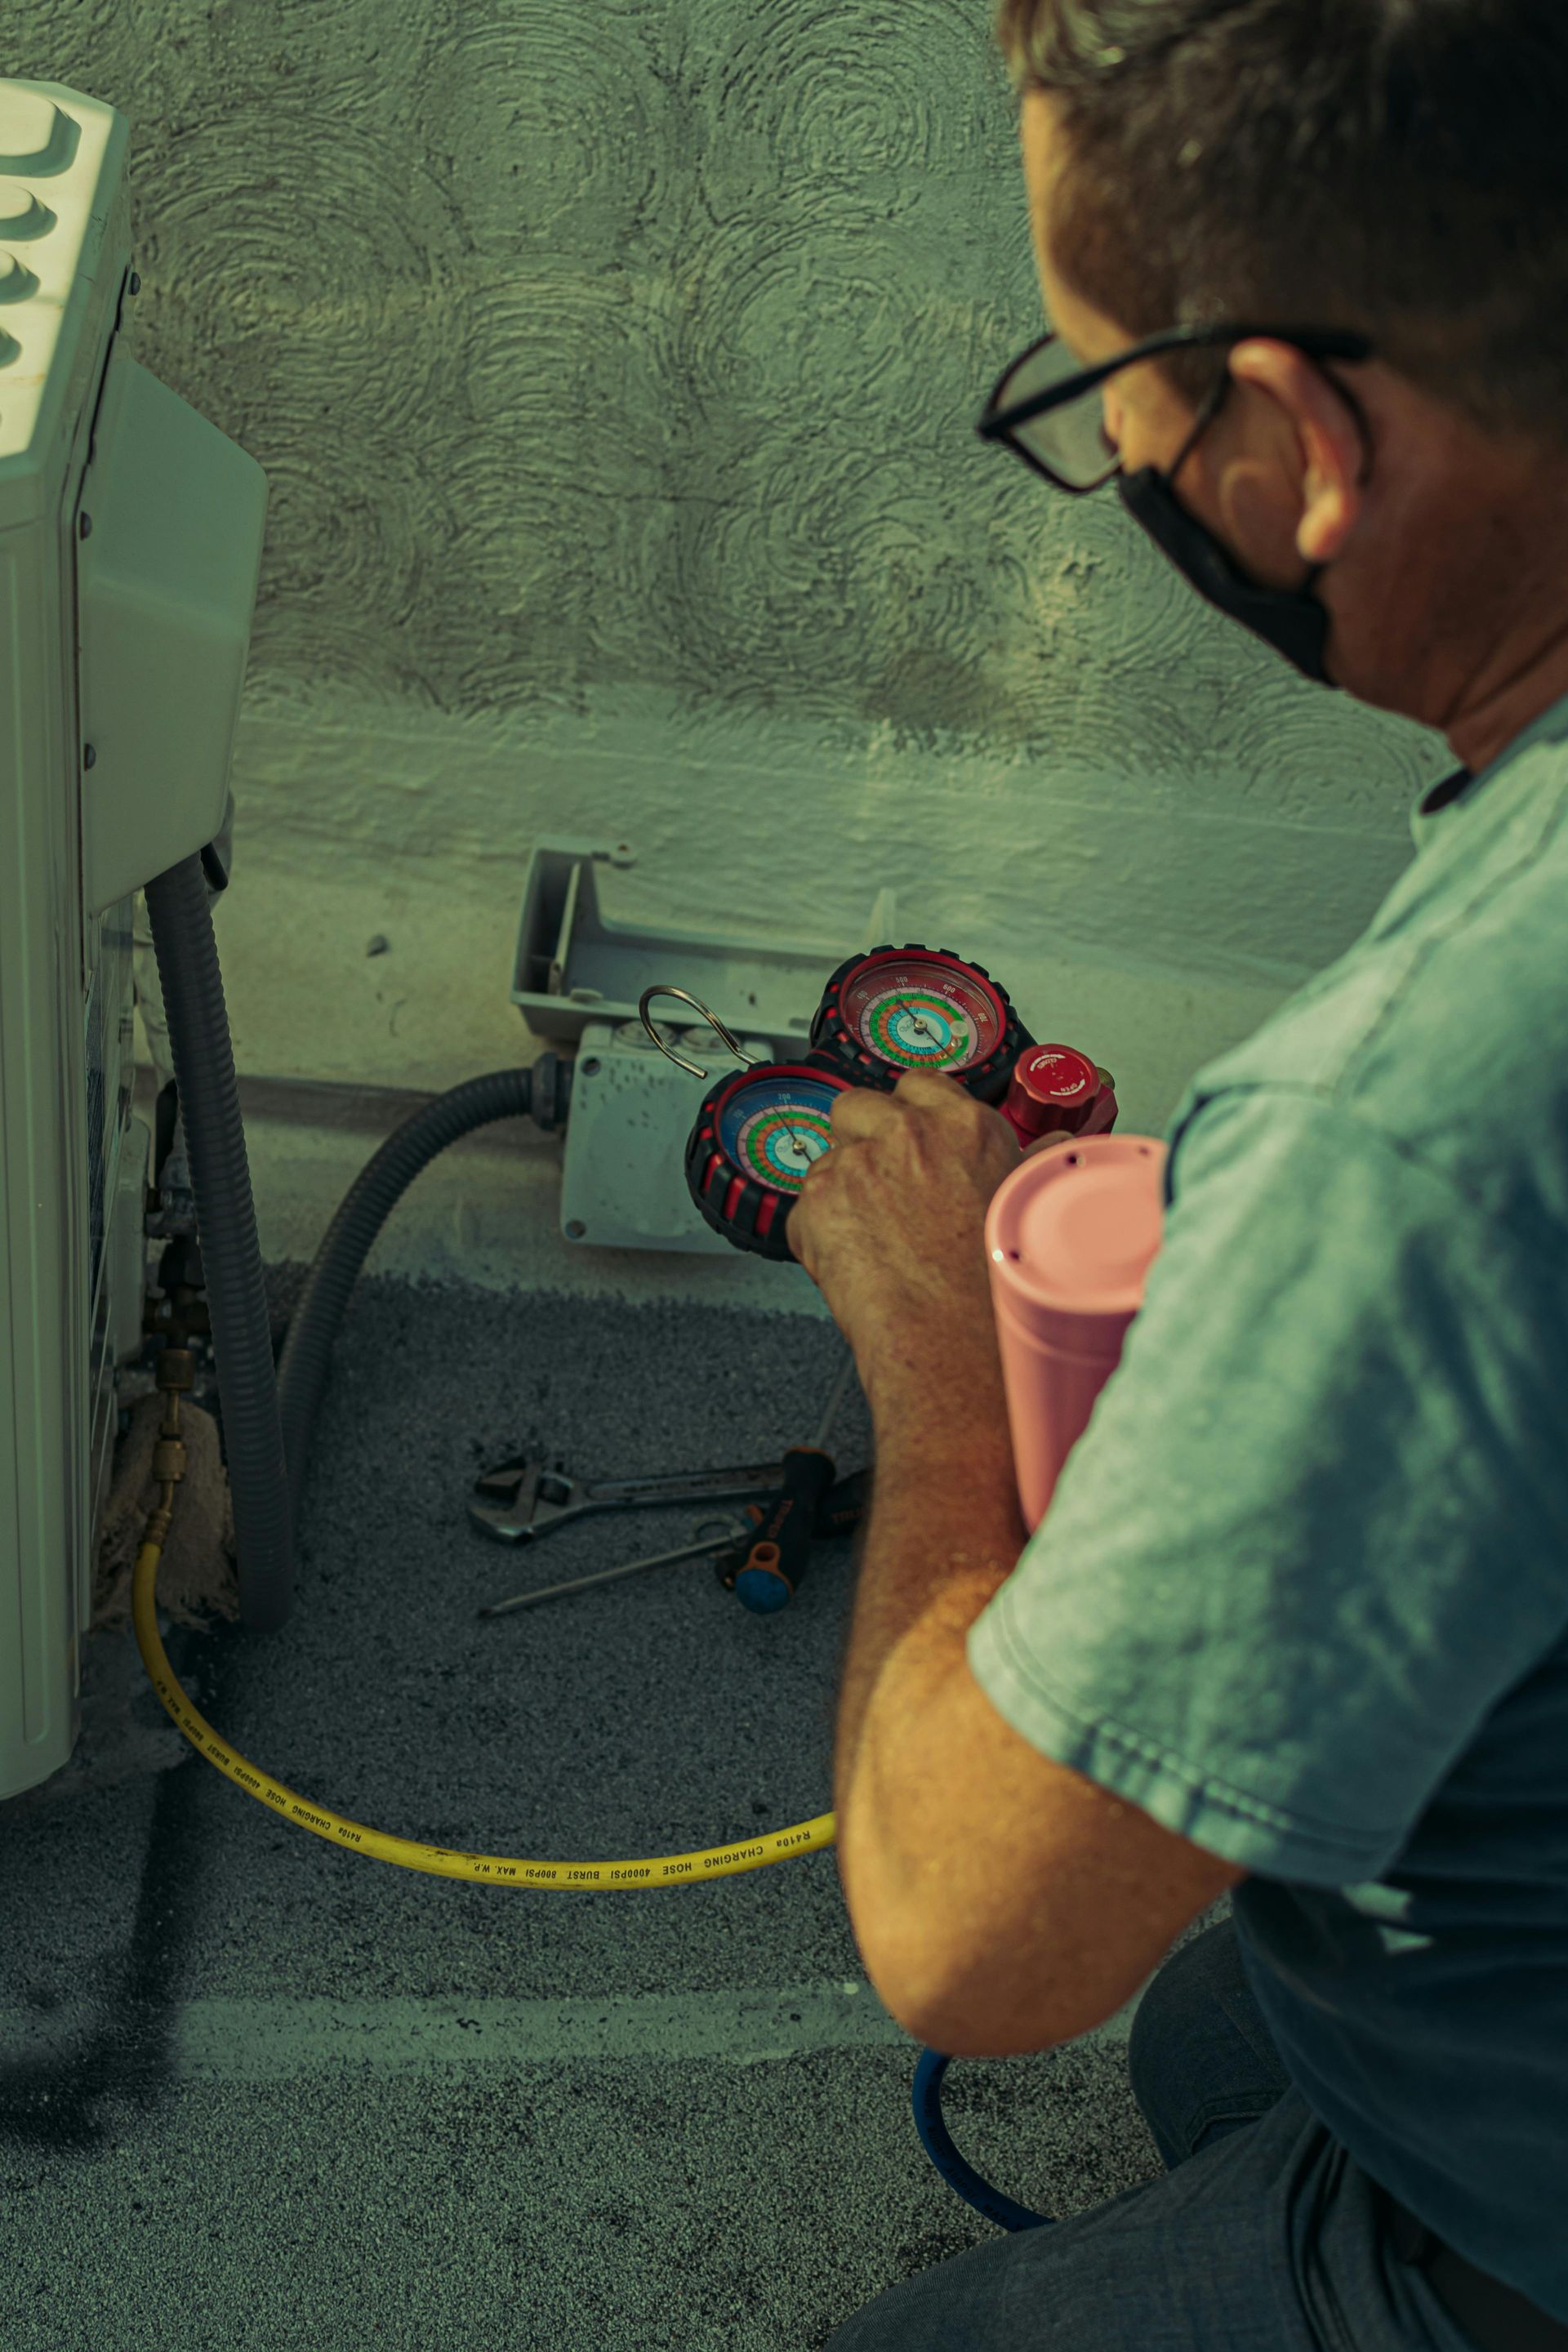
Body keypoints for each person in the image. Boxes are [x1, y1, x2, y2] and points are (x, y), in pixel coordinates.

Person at [798, 5, 1568, 2347]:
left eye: (1101, 392)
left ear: (1304, 438)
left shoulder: (1427, 1126)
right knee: (1220, 2034)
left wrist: (941, 1370)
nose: (1120, 450)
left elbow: (966, 1935)